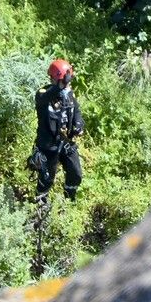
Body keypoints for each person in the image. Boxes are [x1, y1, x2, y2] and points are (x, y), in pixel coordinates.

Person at [33, 58, 84, 201]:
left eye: (68, 82)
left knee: (76, 174)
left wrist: (79, 125)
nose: (67, 85)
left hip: (66, 143)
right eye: (64, 81)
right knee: (46, 179)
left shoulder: (69, 94)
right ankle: (40, 207)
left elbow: (76, 111)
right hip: (48, 146)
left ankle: (69, 200)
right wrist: (59, 87)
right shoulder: (43, 94)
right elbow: (44, 98)